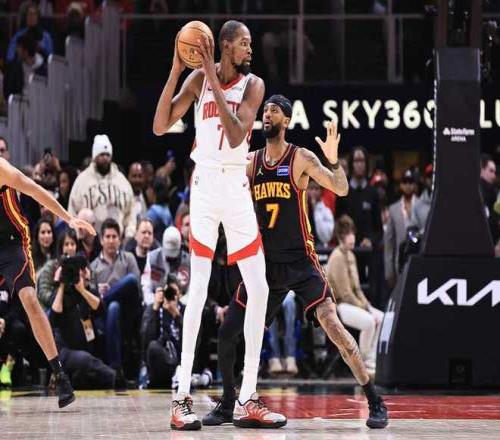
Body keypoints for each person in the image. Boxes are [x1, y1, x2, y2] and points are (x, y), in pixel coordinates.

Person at [203, 95, 388, 429]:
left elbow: (341, 189)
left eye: (274, 111)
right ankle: (229, 402)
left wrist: (333, 161)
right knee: (229, 331)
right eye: (264, 111)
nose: (267, 115)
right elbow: (222, 187)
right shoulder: (251, 162)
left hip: (302, 262)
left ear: (286, 120)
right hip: (265, 266)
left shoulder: (300, 157)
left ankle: (374, 399)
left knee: (334, 326)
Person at [153, 20, 273, 431]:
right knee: (198, 288)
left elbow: (237, 135)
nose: (249, 50)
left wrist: (210, 77)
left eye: (250, 44)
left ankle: (248, 396)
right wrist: (176, 69)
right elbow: (160, 124)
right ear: (224, 45)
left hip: (236, 186)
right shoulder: (196, 81)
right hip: (204, 185)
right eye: (243, 44)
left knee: (259, 288)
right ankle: (181, 398)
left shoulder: (253, 85)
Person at [0, 156, 95, 407]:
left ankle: (59, 374)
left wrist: (68, 218)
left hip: (12, 245)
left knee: (30, 299)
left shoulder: (2, 169)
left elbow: (35, 190)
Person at [326, 215, 384, 376]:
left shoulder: (351, 255)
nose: (352, 237)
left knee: (382, 318)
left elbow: (357, 289)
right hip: (339, 305)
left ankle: (372, 359)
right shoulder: (337, 257)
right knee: (369, 322)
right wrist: (365, 309)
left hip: (353, 302)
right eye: (348, 234)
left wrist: (368, 306)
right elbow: (345, 294)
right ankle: (363, 361)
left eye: (352, 233)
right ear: (340, 237)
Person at [68, 135, 136, 241]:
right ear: (94, 156)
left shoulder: (122, 181)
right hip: (89, 241)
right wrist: (77, 236)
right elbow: (72, 212)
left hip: (117, 241)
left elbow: (130, 213)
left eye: (107, 154)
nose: (105, 158)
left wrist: (129, 236)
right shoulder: (82, 181)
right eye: (101, 154)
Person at [384, 169, 418, 286]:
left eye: (410, 182)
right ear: (400, 185)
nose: (408, 185)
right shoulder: (393, 209)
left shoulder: (423, 207)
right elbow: (389, 243)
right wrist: (389, 271)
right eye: (405, 182)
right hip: (399, 263)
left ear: (415, 185)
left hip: (418, 261)